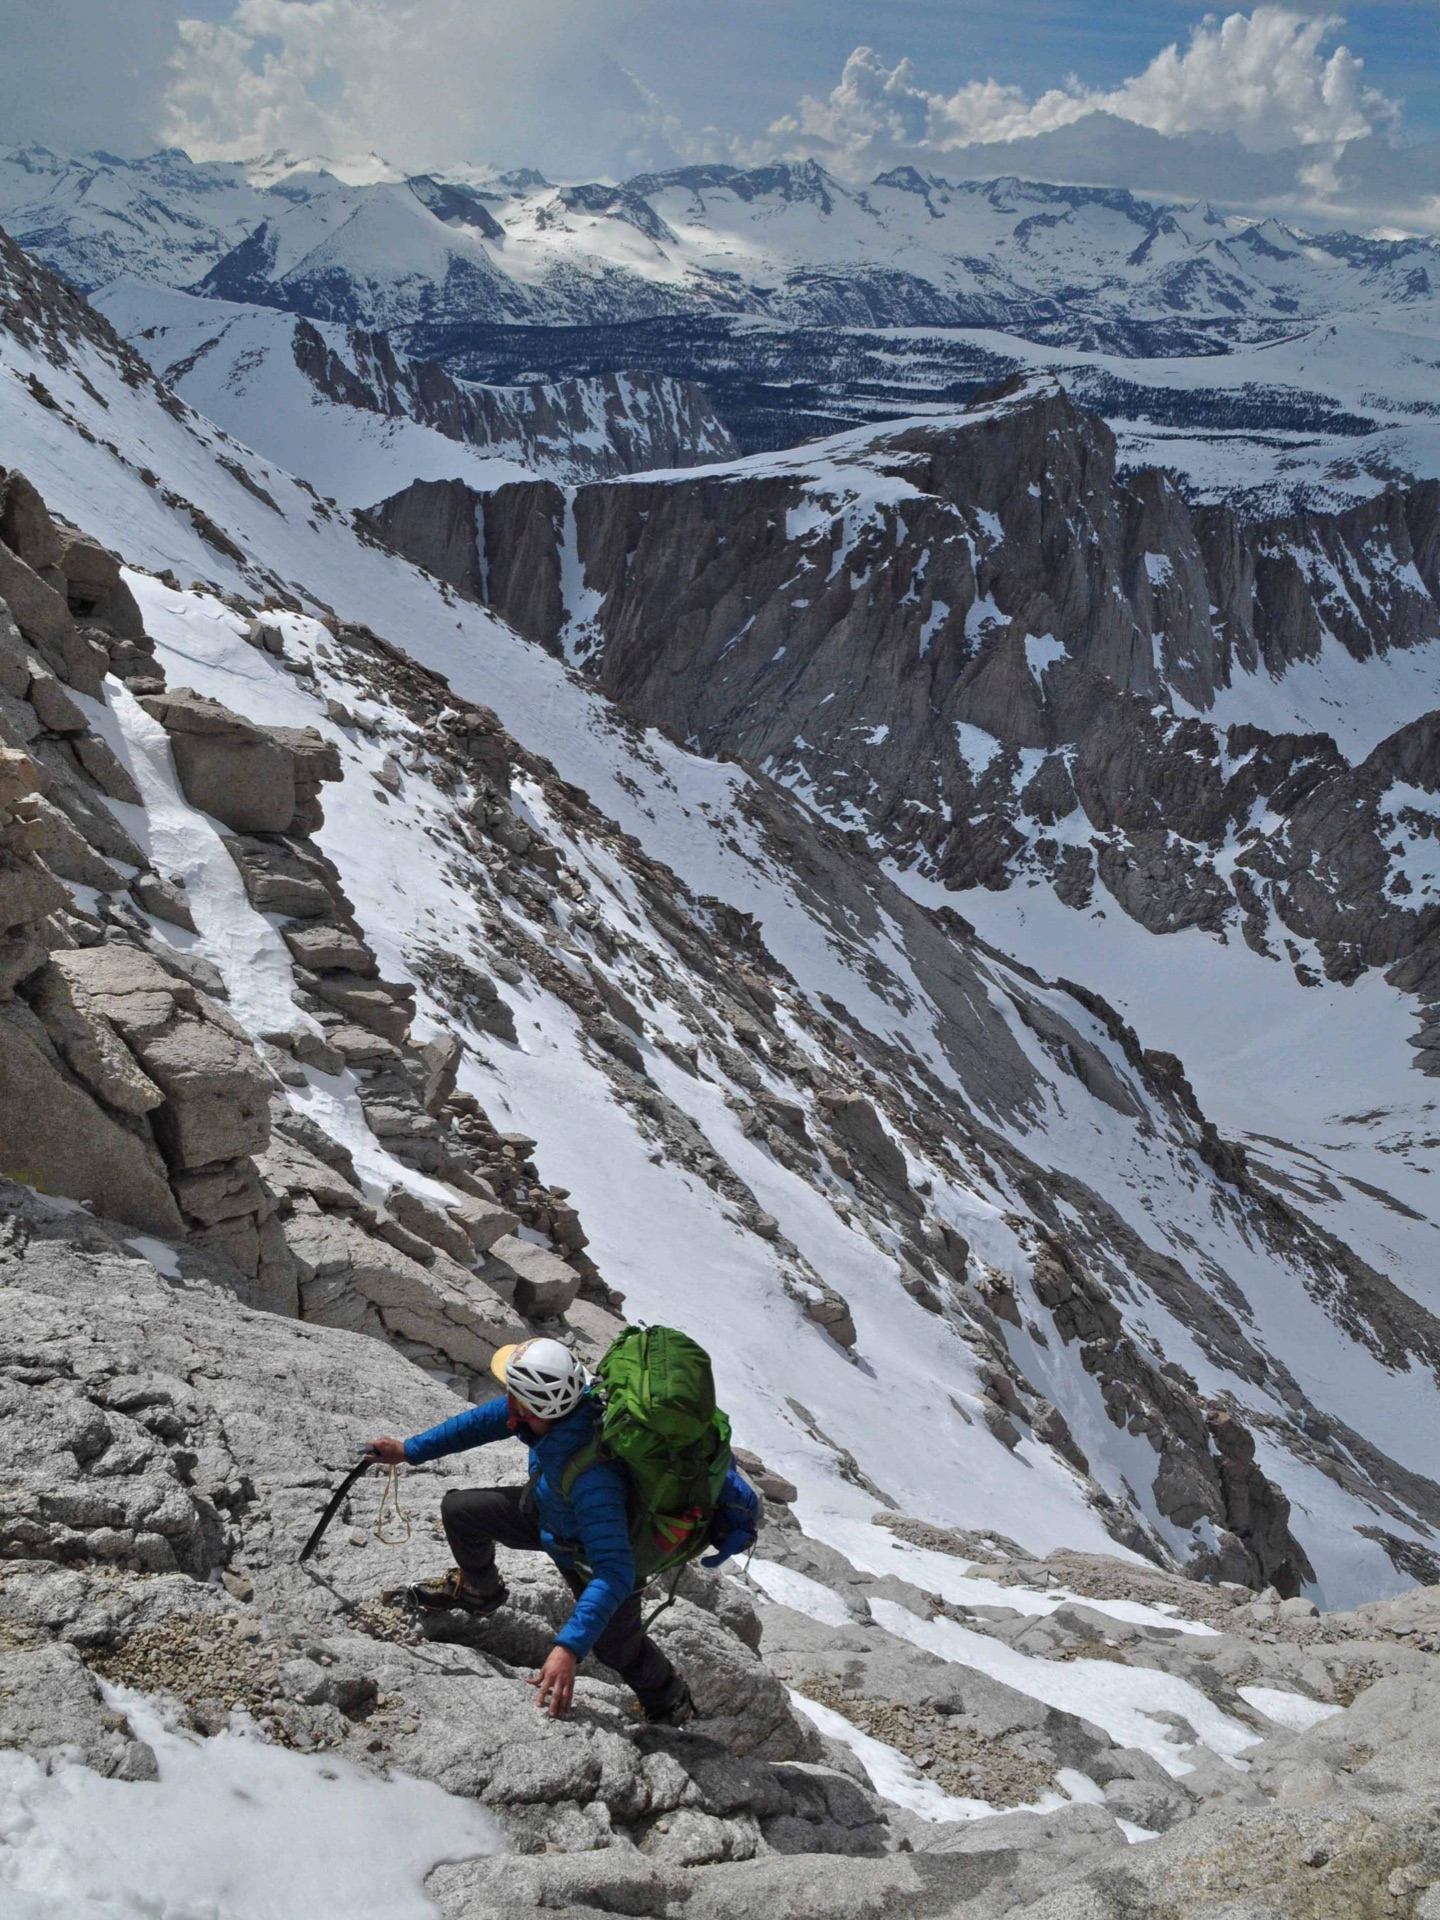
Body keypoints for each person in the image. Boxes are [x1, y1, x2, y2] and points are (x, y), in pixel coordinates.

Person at [366, 1335, 759, 1722]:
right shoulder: (556, 1411)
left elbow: (615, 1572)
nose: (507, 1399)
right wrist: (409, 1450)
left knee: (616, 1648)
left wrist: (568, 1648)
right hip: (550, 1514)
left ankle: (669, 1699)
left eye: (513, 1393)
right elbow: (480, 1423)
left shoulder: (594, 1479)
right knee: (461, 1511)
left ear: (535, 1406)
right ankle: (480, 1593)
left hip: (590, 1554)